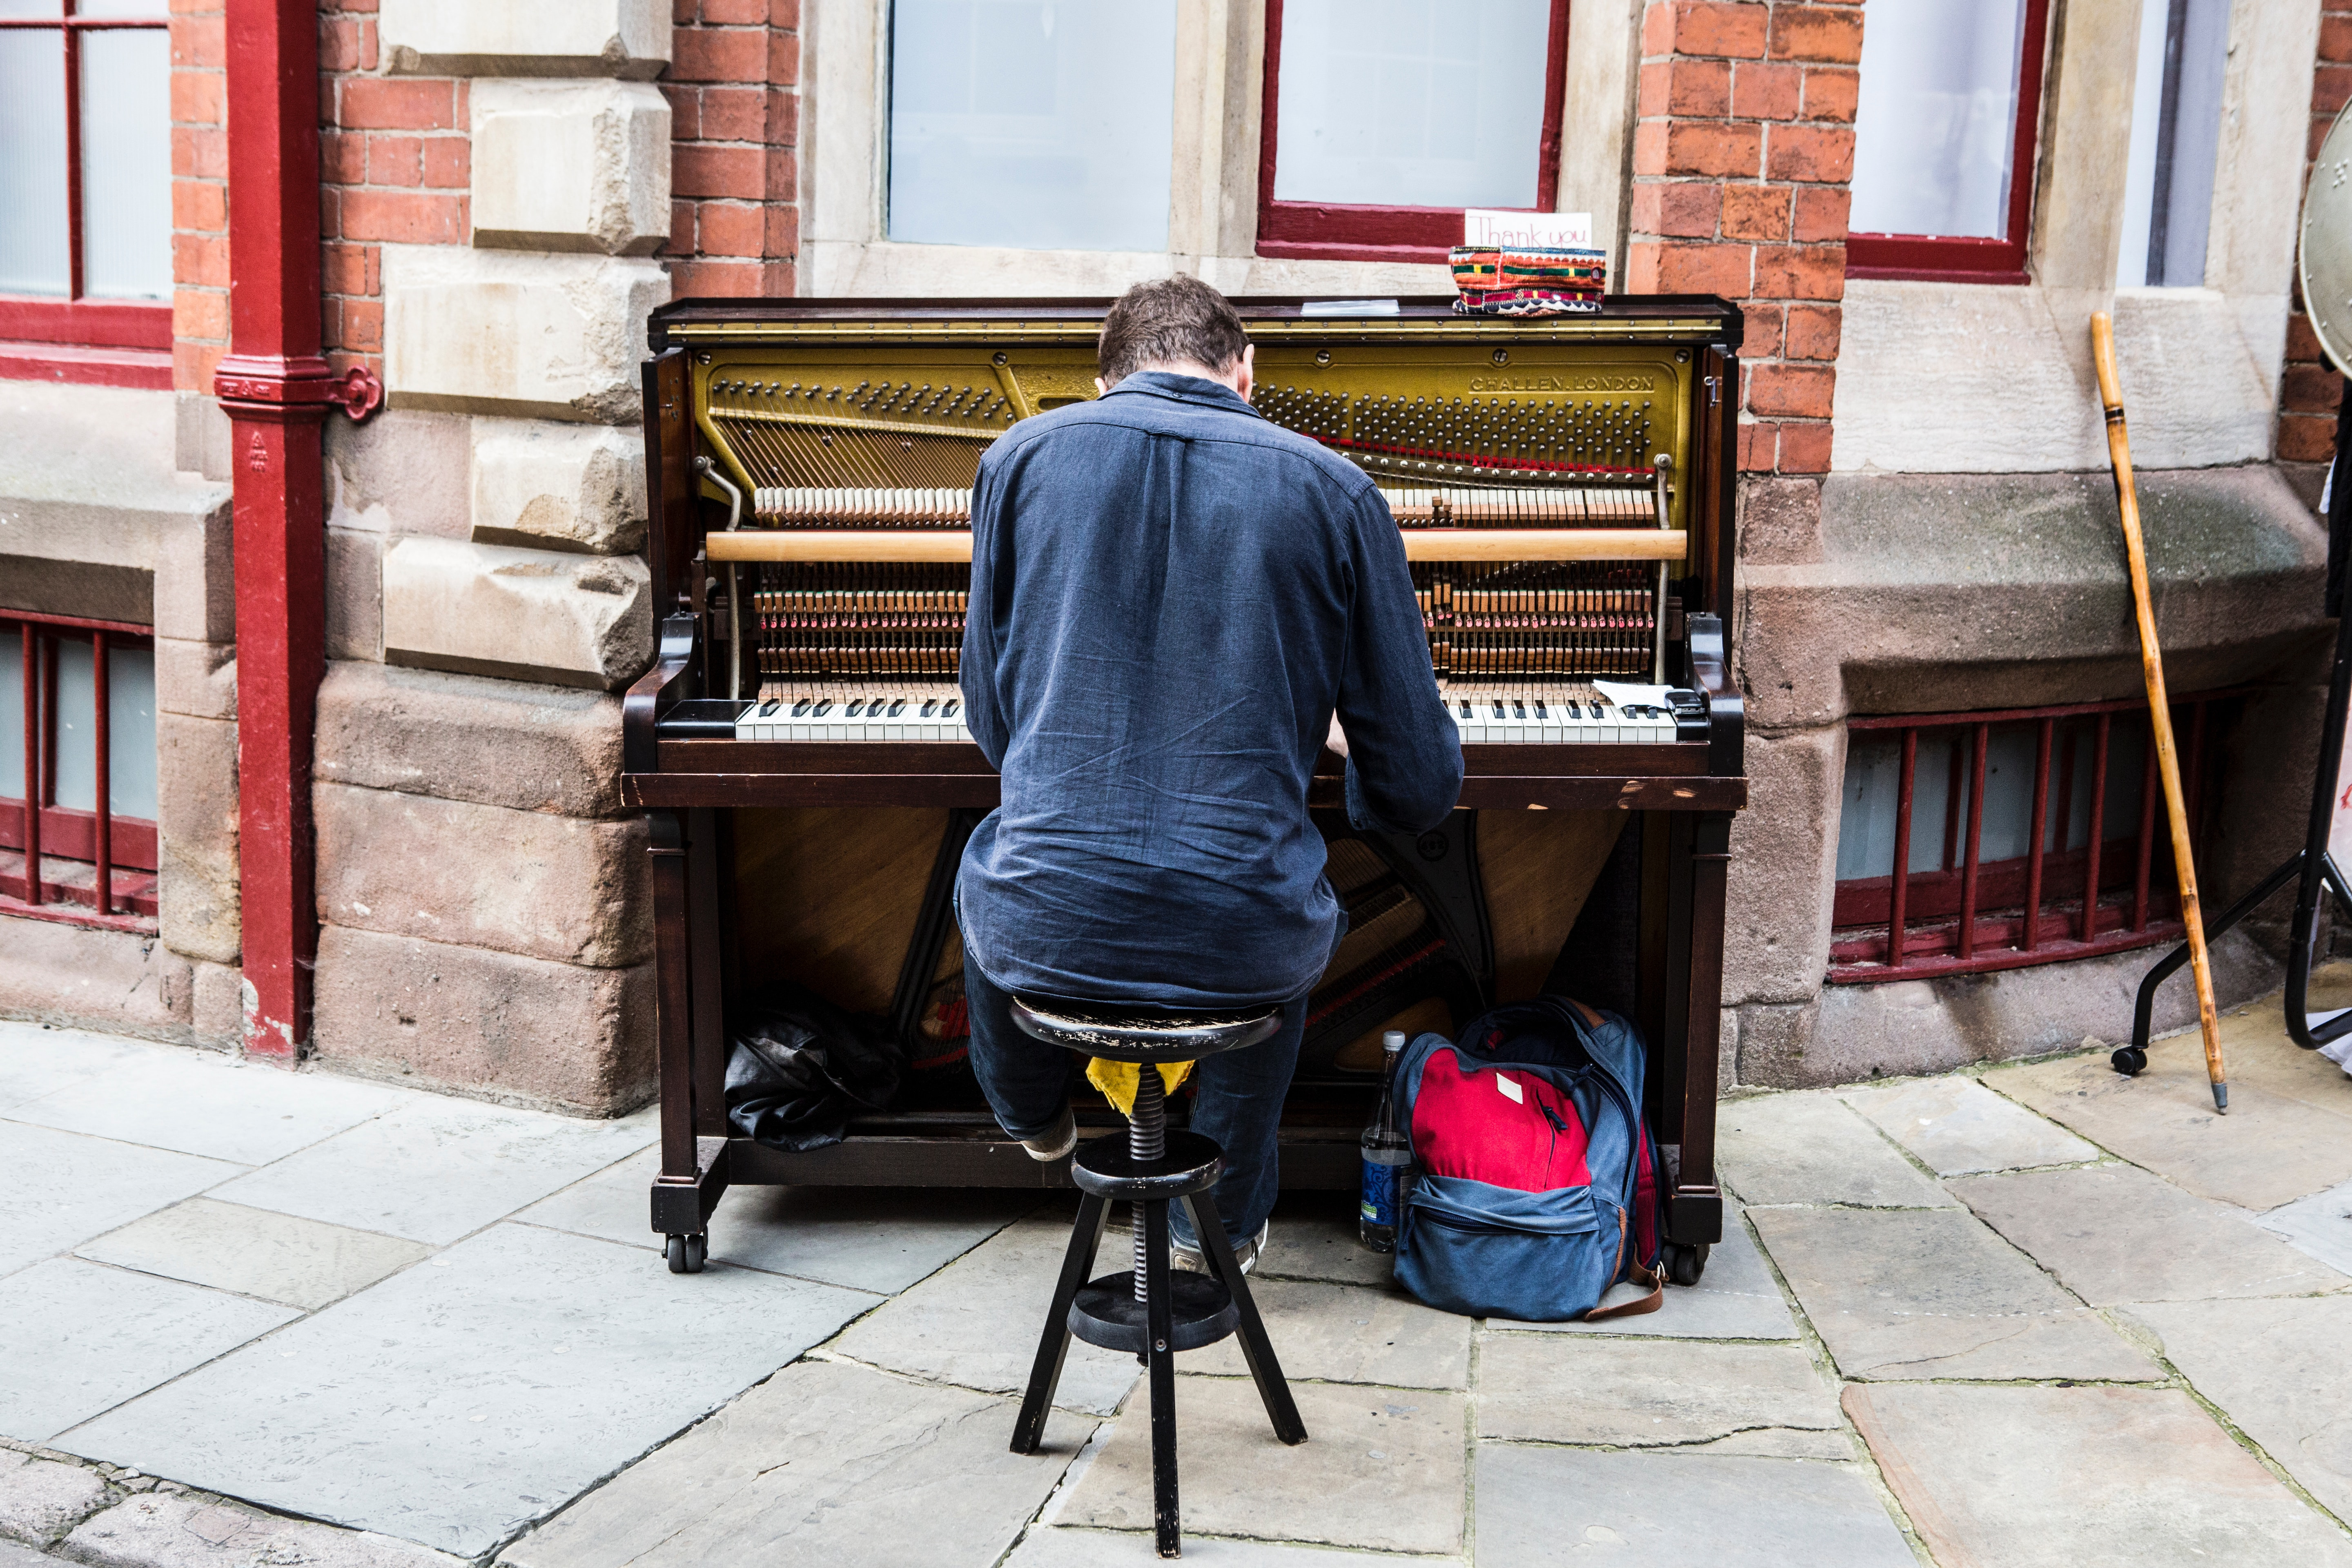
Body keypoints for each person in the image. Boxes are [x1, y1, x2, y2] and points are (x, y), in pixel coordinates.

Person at [956, 276, 1463, 1271]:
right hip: (1240, 936)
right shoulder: (1335, 488)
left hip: (1054, 919)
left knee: (1002, 866)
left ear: (1104, 380)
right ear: (1246, 373)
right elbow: (1416, 786)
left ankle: (1033, 1116)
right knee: (1259, 886)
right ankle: (1215, 1216)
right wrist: (1320, 732)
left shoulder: (1017, 460)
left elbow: (994, 724)